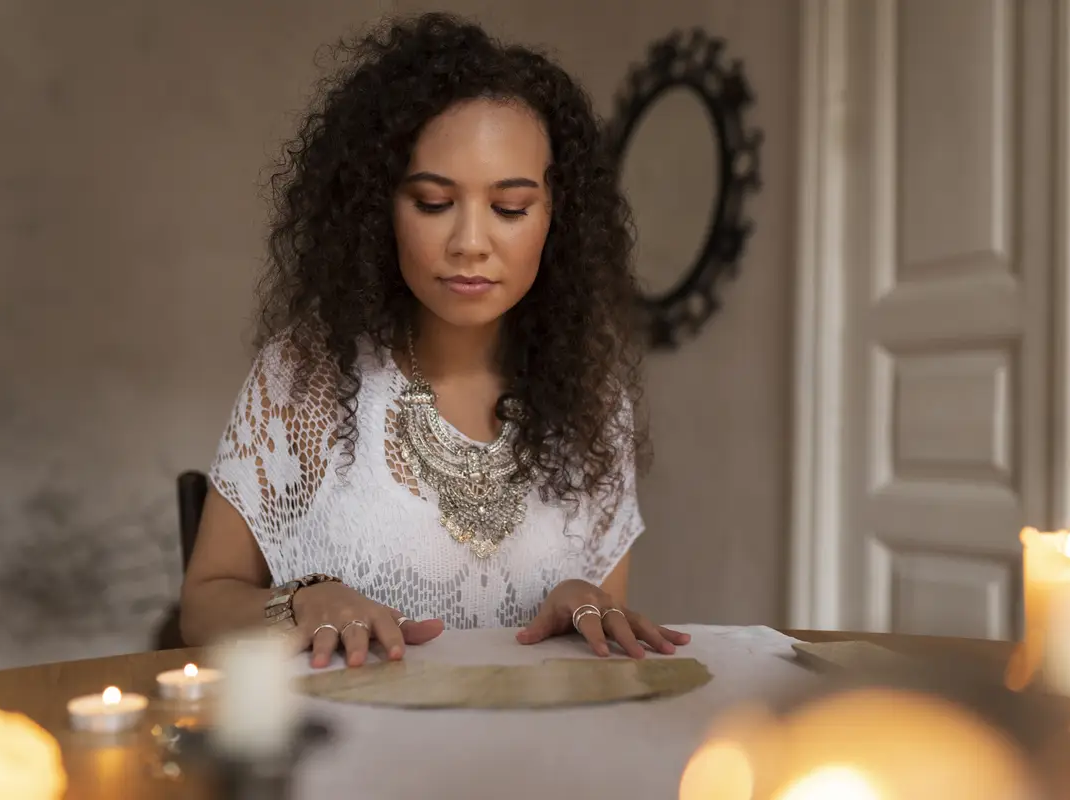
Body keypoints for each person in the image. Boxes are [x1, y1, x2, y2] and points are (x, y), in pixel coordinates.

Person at [179, 12, 689, 668]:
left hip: (532, 761)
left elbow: (597, 633)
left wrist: (576, 599)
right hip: (345, 754)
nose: (470, 243)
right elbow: (202, 607)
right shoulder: (306, 377)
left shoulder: (590, 401)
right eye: (432, 202)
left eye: (509, 208)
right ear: (377, 209)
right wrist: (306, 600)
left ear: (557, 218)